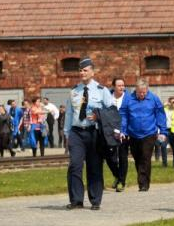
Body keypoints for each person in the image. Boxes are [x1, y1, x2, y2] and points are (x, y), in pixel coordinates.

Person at [64, 58, 115, 210]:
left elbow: (112, 111)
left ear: (92, 72)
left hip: (94, 133)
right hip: (76, 133)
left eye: (85, 70)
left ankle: (95, 200)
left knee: (94, 166)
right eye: (80, 70)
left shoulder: (101, 90)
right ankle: (76, 200)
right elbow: (69, 114)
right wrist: (67, 135)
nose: (82, 73)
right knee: (75, 165)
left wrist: (98, 116)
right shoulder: (74, 91)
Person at [119, 79, 166, 191]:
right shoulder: (128, 99)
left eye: (144, 92)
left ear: (147, 90)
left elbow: (160, 114)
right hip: (133, 134)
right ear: (136, 90)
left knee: (145, 157)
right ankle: (142, 180)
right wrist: (123, 130)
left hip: (149, 133)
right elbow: (123, 115)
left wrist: (163, 131)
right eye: (139, 92)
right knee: (137, 158)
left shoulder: (154, 99)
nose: (141, 94)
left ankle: (143, 184)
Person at [107, 77, 130, 192]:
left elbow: (130, 116)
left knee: (122, 157)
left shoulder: (129, 98)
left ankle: (122, 181)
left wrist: (125, 131)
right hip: (110, 133)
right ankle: (117, 175)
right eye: (119, 85)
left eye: (123, 85)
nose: (122, 87)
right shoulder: (107, 97)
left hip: (124, 133)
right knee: (110, 157)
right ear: (113, 87)